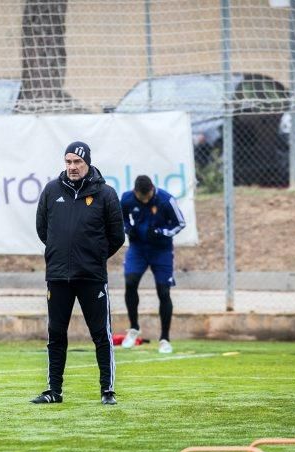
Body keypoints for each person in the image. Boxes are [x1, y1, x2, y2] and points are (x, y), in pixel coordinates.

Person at [32, 141, 125, 405]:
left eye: (77, 162)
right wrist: (59, 253)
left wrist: (93, 256)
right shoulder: (52, 191)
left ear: (87, 163)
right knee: (56, 334)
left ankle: (107, 390)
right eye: (68, 162)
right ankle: (54, 390)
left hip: (91, 276)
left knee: (101, 334)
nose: (72, 167)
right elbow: (43, 230)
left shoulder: (105, 194)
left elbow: (116, 236)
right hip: (58, 276)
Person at [119, 175, 186, 354]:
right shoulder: (126, 199)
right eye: (142, 198)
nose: (146, 200)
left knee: (163, 291)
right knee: (130, 282)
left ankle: (164, 338)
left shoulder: (165, 200)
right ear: (135, 193)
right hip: (138, 249)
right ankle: (133, 328)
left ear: (152, 190)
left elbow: (180, 223)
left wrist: (162, 232)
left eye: (148, 196)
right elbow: (120, 218)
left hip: (161, 251)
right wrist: (127, 228)